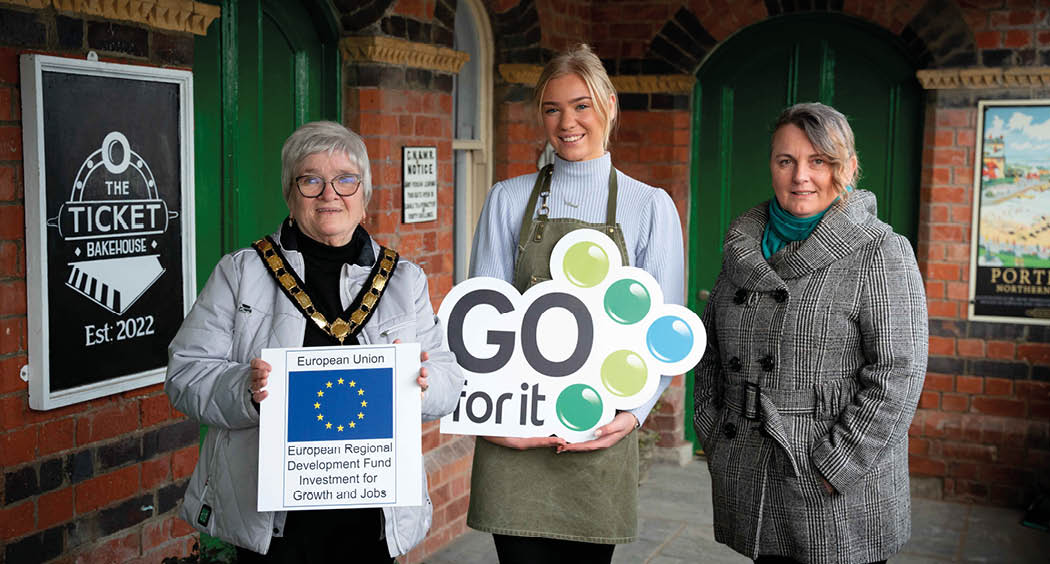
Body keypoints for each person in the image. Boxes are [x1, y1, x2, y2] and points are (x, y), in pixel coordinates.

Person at [165, 121, 464, 562]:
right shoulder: (241, 272)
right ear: (290, 194)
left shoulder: (404, 279)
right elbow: (185, 375)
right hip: (273, 523)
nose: (330, 194)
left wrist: (420, 381)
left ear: (364, 197)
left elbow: (449, 381)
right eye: (311, 180)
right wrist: (245, 389)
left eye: (346, 180)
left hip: (372, 516)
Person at [467, 44, 685, 563]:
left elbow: (665, 334)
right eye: (552, 108)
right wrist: (495, 419)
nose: (567, 122)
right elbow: (482, 323)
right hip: (517, 434)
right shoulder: (507, 198)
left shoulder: (650, 206)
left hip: (598, 431)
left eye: (581, 104)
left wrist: (631, 415)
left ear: (610, 105)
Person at [693, 103, 928, 564]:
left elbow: (899, 374)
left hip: (838, 487)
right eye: (787, 161)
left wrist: (834, 467)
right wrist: (713, 432)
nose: (801, 176)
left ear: (847, 167)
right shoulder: (742, 248)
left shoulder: (880, 251)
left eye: (818, 161)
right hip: (754, 466)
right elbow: (711, 354)